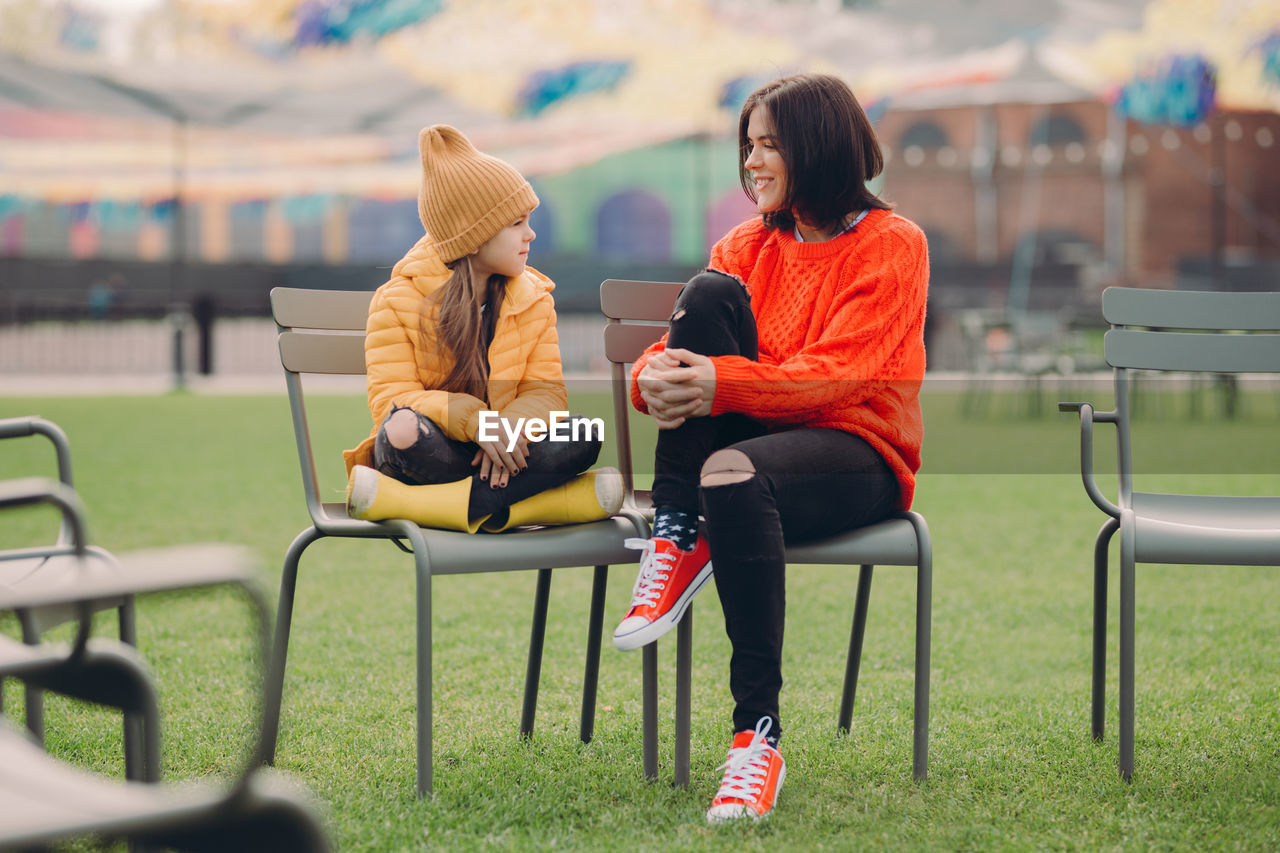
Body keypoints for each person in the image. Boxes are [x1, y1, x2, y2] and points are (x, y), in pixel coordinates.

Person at [611, 74, 929, 822]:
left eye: (769, 145)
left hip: (858, 450)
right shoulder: (745, 244)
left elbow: (836, 378)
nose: (752, 162)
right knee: (713, 295)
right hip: (751, 446)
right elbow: (674, 352)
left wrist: (716, 383)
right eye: (747, 145)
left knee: (733, 471)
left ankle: (755, 738)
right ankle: (676, 532)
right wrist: (658, 378)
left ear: (816, 147)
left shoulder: (893, 245)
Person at [343, 124, 621, 533]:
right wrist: (479, 423)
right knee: (400, 429)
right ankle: (544, 504)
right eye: (517, 224)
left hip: (511, 449)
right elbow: (392, 398)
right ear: (473, 237)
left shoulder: (534, 298)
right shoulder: (395, 301)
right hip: (436, 448)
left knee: (583, 432)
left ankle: (409, 504)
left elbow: (546, 393)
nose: (531, 234)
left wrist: (507, 431)